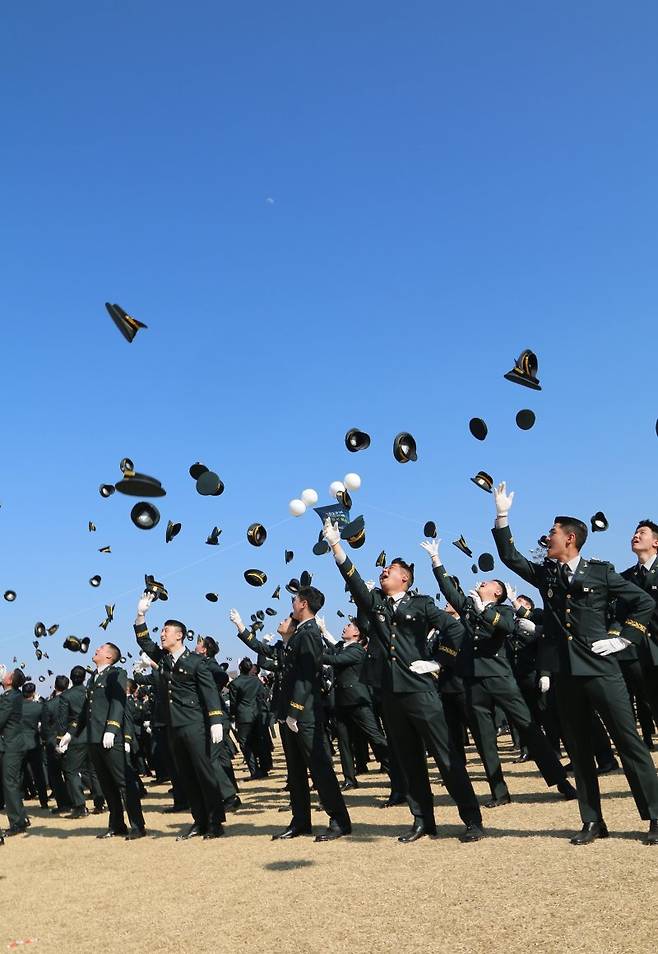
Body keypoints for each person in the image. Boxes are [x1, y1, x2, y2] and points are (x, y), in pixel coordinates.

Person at [491, 481, 658, 845]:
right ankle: (592, 820)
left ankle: (655, 815)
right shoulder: (547, 573)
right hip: (566, 674)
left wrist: (624, 638)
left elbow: (643, 602)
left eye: (552, 532)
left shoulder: (600, 572)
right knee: (580, 749)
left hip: (601, 669)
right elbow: (511, 558)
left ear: (570, 539)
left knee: (629, 744)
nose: (547, 537)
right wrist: (502, 517)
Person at [322, 517, 485, 843]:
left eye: (390, 570)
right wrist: (335, 545)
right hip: (391, 693)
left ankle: (472, 819)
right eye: (383, 571)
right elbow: (353, 580)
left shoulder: (422, 604)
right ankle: (423, 820)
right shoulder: (376, 604)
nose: (383, 572)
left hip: (420, 691)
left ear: (405, 578)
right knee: (409, 761)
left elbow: (455, 629)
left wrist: (438, 661)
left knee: (445, 755)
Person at [423, 538, 576, 807]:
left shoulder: (504, 609)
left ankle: (561, 781)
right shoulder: (470, 608)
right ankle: (499, 792)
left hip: (499, 677)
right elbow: (450, 592)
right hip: (473, 681)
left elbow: (504, 626)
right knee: (484, 739)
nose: (482, 583)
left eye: (489, 582)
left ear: (497, 593)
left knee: (530, 729)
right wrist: (437, 561)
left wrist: (483, 611)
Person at [231, 589, 352, 843]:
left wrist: (295, 711)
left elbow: (307, 676)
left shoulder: (308, 635)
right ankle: (300, 821)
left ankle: (339, 820)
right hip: (290, 715)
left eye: (294, 600)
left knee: (320, 768)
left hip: (304, 714)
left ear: (303, 604)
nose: (292, 604)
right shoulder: (298, 636)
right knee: (296, 772)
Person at [134, 593, 226, 840]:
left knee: (204, 773)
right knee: (186, 776)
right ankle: (200, 820)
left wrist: (216, 720)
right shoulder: (163, 660)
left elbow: (209, 692)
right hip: (173, 726)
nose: (162, 634)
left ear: (179, 635)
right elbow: (144, 642)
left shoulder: (197, 662)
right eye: (161, 631)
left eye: (166, 631)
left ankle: (216, 821)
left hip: (195, 724)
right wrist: (141, 615)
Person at [58, 643, 146, 840]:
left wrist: (112, 728)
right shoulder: (93, 678)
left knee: (124, 782)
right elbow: (84, 712)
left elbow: (117, 701)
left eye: (101, 648)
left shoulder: (117, 673)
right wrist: (71, 733)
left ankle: (138, 826)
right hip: (93, 738)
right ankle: (117, 824)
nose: (96, 649)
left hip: (109, 738)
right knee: (107, 784)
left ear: (109, 656)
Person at [319, 619, 393, 793]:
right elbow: (332, 648)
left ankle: (395, 770)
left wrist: (311, 652)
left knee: (375, 737)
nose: (344, 627)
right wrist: (322, 631)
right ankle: (349, 779)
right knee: (344, 742)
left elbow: (334, 659)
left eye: (349, 626)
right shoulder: (343, 647)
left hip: (357, 701)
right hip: (342, 702)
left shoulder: (357, 650)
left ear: (357, 634)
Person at [616, 519, 658, 736]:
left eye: (642, 532)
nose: (636, 535)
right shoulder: (625, 578)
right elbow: (619, 614)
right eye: (634, 532)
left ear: (656, 542)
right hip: (643, 653)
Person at [0, 668, 29, 836]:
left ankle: (17, 823)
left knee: (9, 783)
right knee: (14, 783)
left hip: (10, 745)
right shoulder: (15, 695)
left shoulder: (8, 698)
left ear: (10, 681)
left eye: (7, 673)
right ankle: (21, 817)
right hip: (17, 744)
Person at [229, 658, 268, 780]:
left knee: (245, 744)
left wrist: (233, 715)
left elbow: (233, 703)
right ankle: (263, 768)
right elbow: (264, 695)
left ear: (240, 668)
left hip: (243, 716)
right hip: (256, 713)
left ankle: (254, 770)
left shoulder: (235, 683)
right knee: (258, 742)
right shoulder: (256, 681)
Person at [41, 676, 71, 814]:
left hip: (54, 741)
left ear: (55, 686)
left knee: (55, 775)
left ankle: (63, 804)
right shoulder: (71, 701)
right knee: (70, 772)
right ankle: (75, 801)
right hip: (70, 739)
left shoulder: (49, 704)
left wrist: (47, 741)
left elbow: (46, 727)